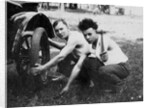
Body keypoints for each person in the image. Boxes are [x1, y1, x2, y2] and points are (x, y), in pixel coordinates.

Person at [31, 19, 92, 94]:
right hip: (85, 64)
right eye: (56, 31)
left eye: (61, 29)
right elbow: (64, 47)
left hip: (91, 67)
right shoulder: (72, 35)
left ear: (67, 27)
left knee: (62, 55)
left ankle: (89, 81)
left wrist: (42, 68)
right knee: (65, 52)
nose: (59, 32)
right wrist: (49, 41)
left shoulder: (74, 38)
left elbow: (61, 56)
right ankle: (73, 77)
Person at [78, 18, 130, 93]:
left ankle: (120, 84)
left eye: (89, 34)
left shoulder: (104, 39)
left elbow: (104, 58)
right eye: (85, 35)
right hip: (111, 67)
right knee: (88, 61)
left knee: (102, 69)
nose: (87, 38)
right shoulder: (90, 45)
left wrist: (102, 35)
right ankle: (99, 86)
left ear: (96, 31)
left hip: (123, 67)